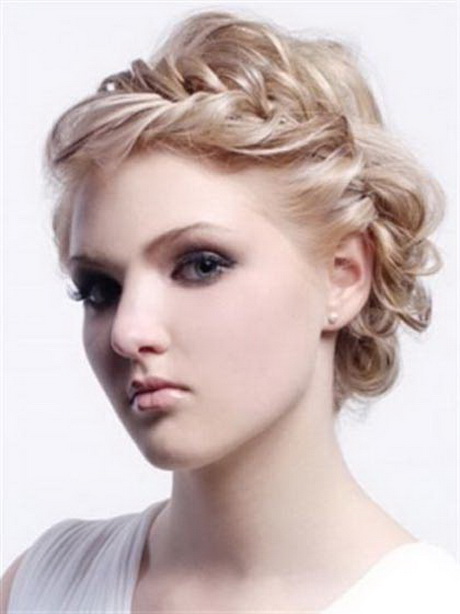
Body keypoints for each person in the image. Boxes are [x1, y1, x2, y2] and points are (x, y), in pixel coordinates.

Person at [2, 9, 459, 614]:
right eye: (100, 289)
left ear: (343, 277)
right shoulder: (40, 586)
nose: (128, 332)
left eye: (200, 265)